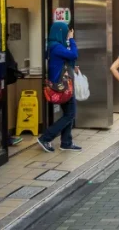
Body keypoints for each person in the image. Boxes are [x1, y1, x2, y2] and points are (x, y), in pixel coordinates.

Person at [38, 22, 81, 153]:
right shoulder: (56, 47)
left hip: (61, 84)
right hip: (62, 85)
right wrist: (72, 39)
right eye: (66, 31)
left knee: (69, 113)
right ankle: (46, 137)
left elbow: (65, 60)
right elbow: (74, 54)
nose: (67, 33)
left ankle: (66, 142)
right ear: (60, 32)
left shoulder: (53, 46)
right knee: (70, 113)